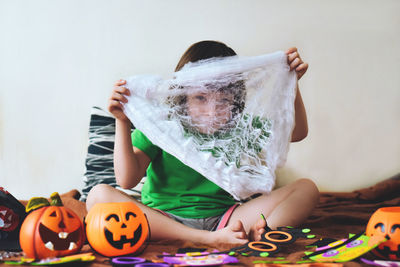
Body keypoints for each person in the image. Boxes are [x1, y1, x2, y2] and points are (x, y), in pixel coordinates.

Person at [86, 40, 319, 246]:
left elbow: (297, 132)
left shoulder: (240, 128)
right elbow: (126, 180)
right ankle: (207, 240)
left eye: (224, 100)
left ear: (236, 100)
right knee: (97, 196)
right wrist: (123, 122)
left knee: (306, 188)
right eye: (200, 98)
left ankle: (267, 235)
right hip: (164, 219)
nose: (212, 111)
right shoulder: (164, 126)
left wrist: (291, 83)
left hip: (226, 219)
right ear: (183, 96)